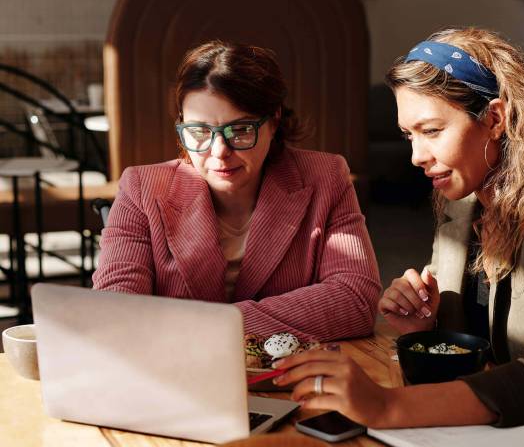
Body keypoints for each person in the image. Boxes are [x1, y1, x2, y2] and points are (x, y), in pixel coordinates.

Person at [273, 27, 524, 427]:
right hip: (495, 436)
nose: (416, 156)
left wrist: (387, 407)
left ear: (495, 119)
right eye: (408, 135)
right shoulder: (461, 211)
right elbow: (476, 352)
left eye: (432, 131)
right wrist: (426, 325)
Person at [93, 40, 381, 341]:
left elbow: (356, 299)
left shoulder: (325, 177)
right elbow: (116, 312)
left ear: (273, 121)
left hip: (292, 379)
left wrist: (215, 324)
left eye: (241, 130)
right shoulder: (142, 188)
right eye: (200, 131)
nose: (219, 151)